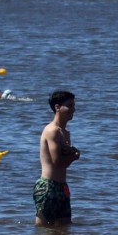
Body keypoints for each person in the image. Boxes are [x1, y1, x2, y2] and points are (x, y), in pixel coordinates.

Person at [35, 90, 80, 226]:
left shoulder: (65, 132)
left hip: (62, 186)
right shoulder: (52, 131)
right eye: (69, 106)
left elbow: (63, 164)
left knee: (65, 230)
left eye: (74, 105)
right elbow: (57, 161)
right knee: (43, 230)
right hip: (48, 187)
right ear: (57, 107)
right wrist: (74, 156)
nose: (73, 109)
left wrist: (72, 154)